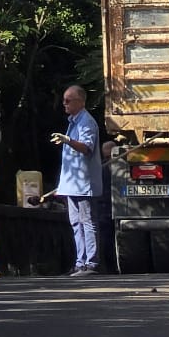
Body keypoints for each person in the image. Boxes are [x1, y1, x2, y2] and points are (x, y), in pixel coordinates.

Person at [52, 84, 102, 276]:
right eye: (64, 100)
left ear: (80, 101)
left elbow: (87, 148)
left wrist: (68, 141)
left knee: (87, 222)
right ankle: (80, 262)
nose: (64, 104)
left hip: (83, 183)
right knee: (75, 223)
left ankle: (91, 263)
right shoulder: (73, 121)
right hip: (71, 184)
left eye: (68, 100)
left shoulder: (86, 122)